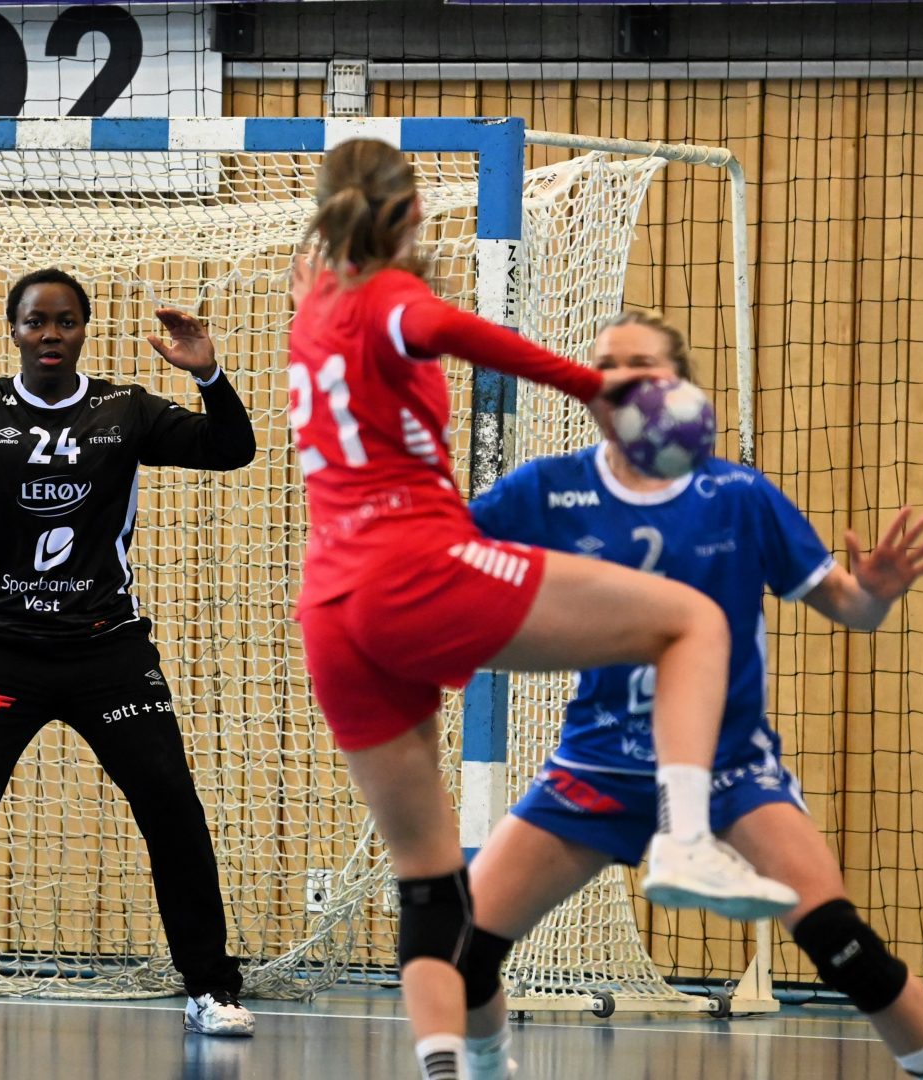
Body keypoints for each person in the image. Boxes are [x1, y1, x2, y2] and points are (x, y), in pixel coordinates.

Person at [285, 139, 798, 1080]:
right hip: (413, 566)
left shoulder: (312, 304)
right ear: (410, 213)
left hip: (329, 605)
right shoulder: (389, 298)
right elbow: (454, 330)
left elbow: (361, 302)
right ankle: (687, 840)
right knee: (693, 621)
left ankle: (458, 1065)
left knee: (429, 874)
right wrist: (594, 387)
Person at [456, 310, 923, 1080]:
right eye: (605, 365)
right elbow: (440, 555)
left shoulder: (738, 495)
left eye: (641, 365)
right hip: (598, 767)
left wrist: (875, 592)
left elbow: (850, 608)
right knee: (458, 952)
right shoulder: (549, 489)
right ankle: (486, 1070)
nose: (619, 379)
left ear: (683, 389)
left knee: (843, 947)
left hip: (731, 771)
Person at [0, 269, 259, 1036]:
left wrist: (210, 376)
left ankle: (211, 987)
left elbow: (231, 450)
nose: (50, 334)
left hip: (105, 647)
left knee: (170, 802)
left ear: (83, 331)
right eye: (36, 321)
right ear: (14, 332)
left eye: (65, 321)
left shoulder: (125, 409)